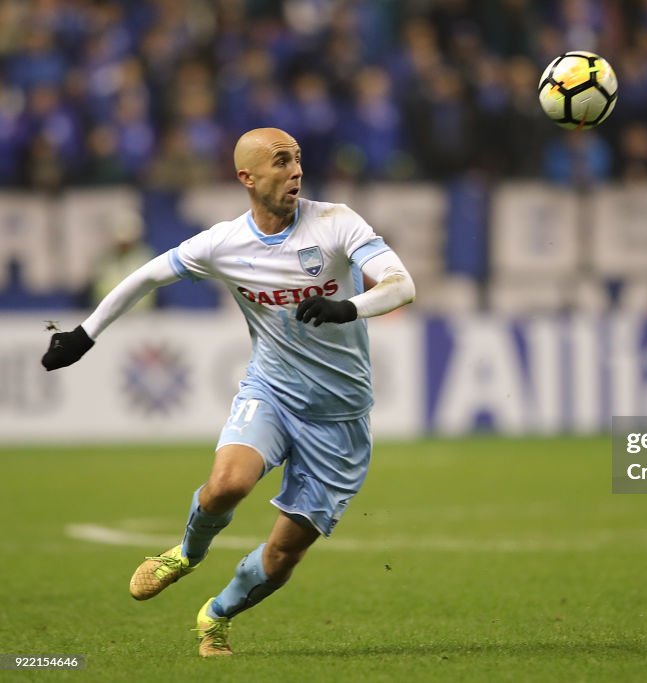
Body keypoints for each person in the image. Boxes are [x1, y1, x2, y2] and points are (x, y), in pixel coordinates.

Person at [41, 127, 415, 657]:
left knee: (284, 554)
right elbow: (145, 277)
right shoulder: (223, 243)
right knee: (226, 485)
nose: (296, 171)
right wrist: (85, 334)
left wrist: (347, 306)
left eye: (299, 160)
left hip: (341, 417)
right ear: (247, 177)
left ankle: (216, 615)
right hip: (273, 393)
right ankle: (187, 555)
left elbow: (403, 285)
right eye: (281, 162)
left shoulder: (336, 222)